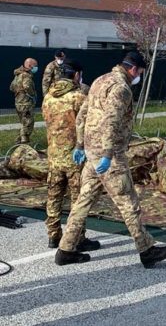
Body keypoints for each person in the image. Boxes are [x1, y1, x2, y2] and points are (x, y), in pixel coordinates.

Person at [55, 51, 166, 267]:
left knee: (83, 201)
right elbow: (111, 121)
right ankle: (147, 250)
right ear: (134, 69)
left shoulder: (100, 80)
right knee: (128, 202)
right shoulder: (121, 88)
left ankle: (65, 250)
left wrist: (81, 145)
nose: (139, 76)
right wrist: (108, 155)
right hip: (108, 157)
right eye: (140, 72)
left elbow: (83, 115)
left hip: (92, 154)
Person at [42, 59, 100, 251]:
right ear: (76, 75)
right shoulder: (78, 97)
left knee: (54, 195)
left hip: (53, 155)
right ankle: (78, 238)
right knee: (78, 199)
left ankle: (53, 235)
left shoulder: (48, 97)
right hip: (75, 157)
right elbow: (89, 124)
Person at [10, 58, 38, 144]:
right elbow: (27, 86)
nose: (36, 68)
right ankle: (24, 141)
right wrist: (32, 95)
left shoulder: (18, 75)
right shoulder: (26, 75)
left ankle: (19, 140)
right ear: (30, 66)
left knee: (23, 122)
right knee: (28, 122)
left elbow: (11, 87)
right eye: (35, 66)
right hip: (26, 102)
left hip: (18, 102)